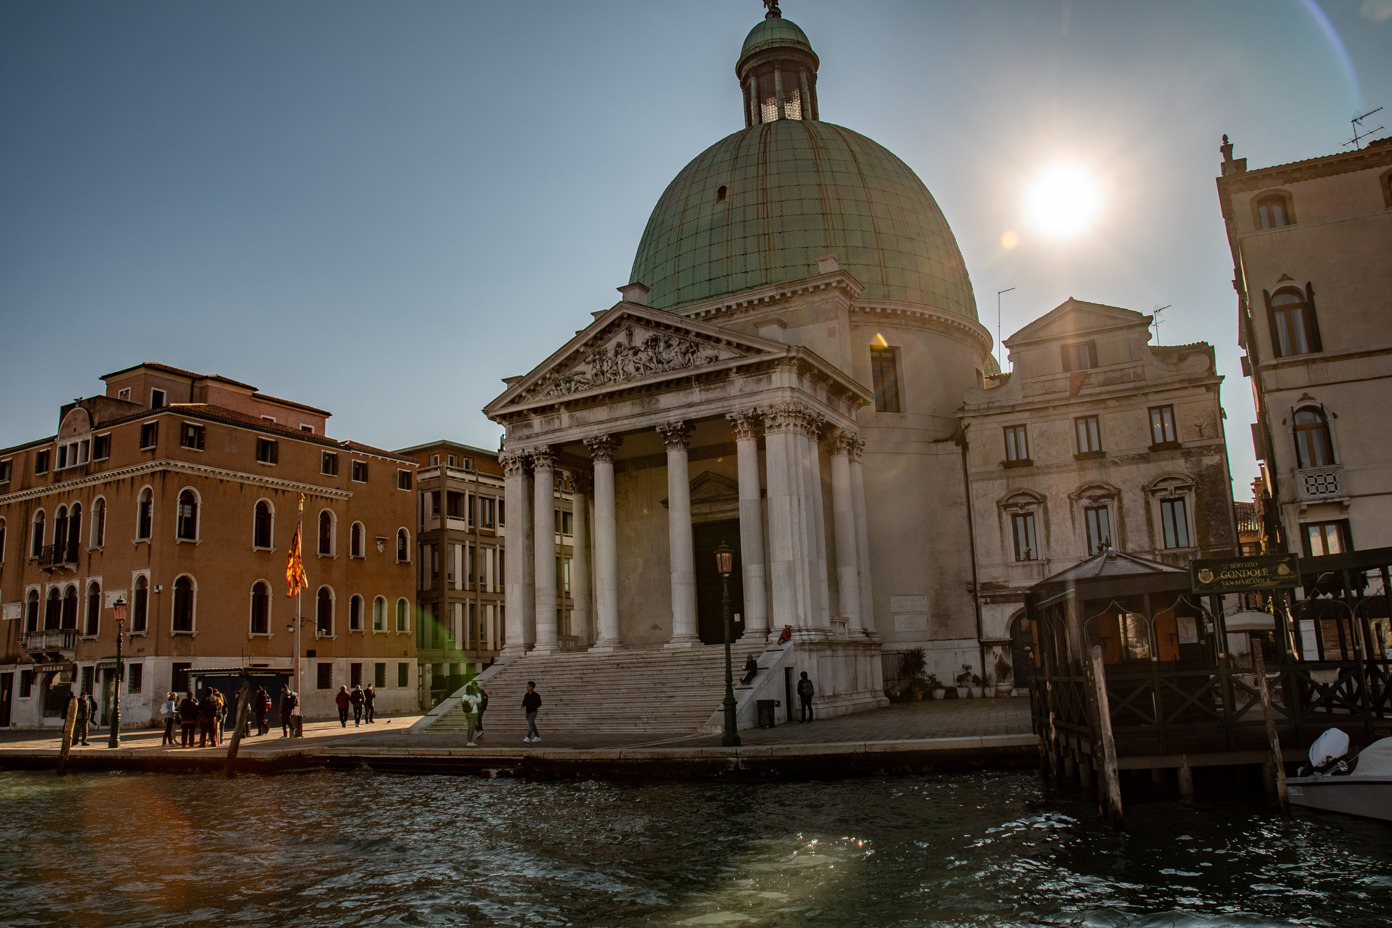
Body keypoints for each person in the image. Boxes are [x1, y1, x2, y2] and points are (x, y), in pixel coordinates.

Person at [460, 681, 483, 746]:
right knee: (472, 728)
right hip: (473, 713)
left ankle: (468, 741)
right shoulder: (472, 697)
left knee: (469, 728)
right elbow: (479, 701)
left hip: (467, 713)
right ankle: (470, 742)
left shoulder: (464, 696)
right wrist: (478, 694)